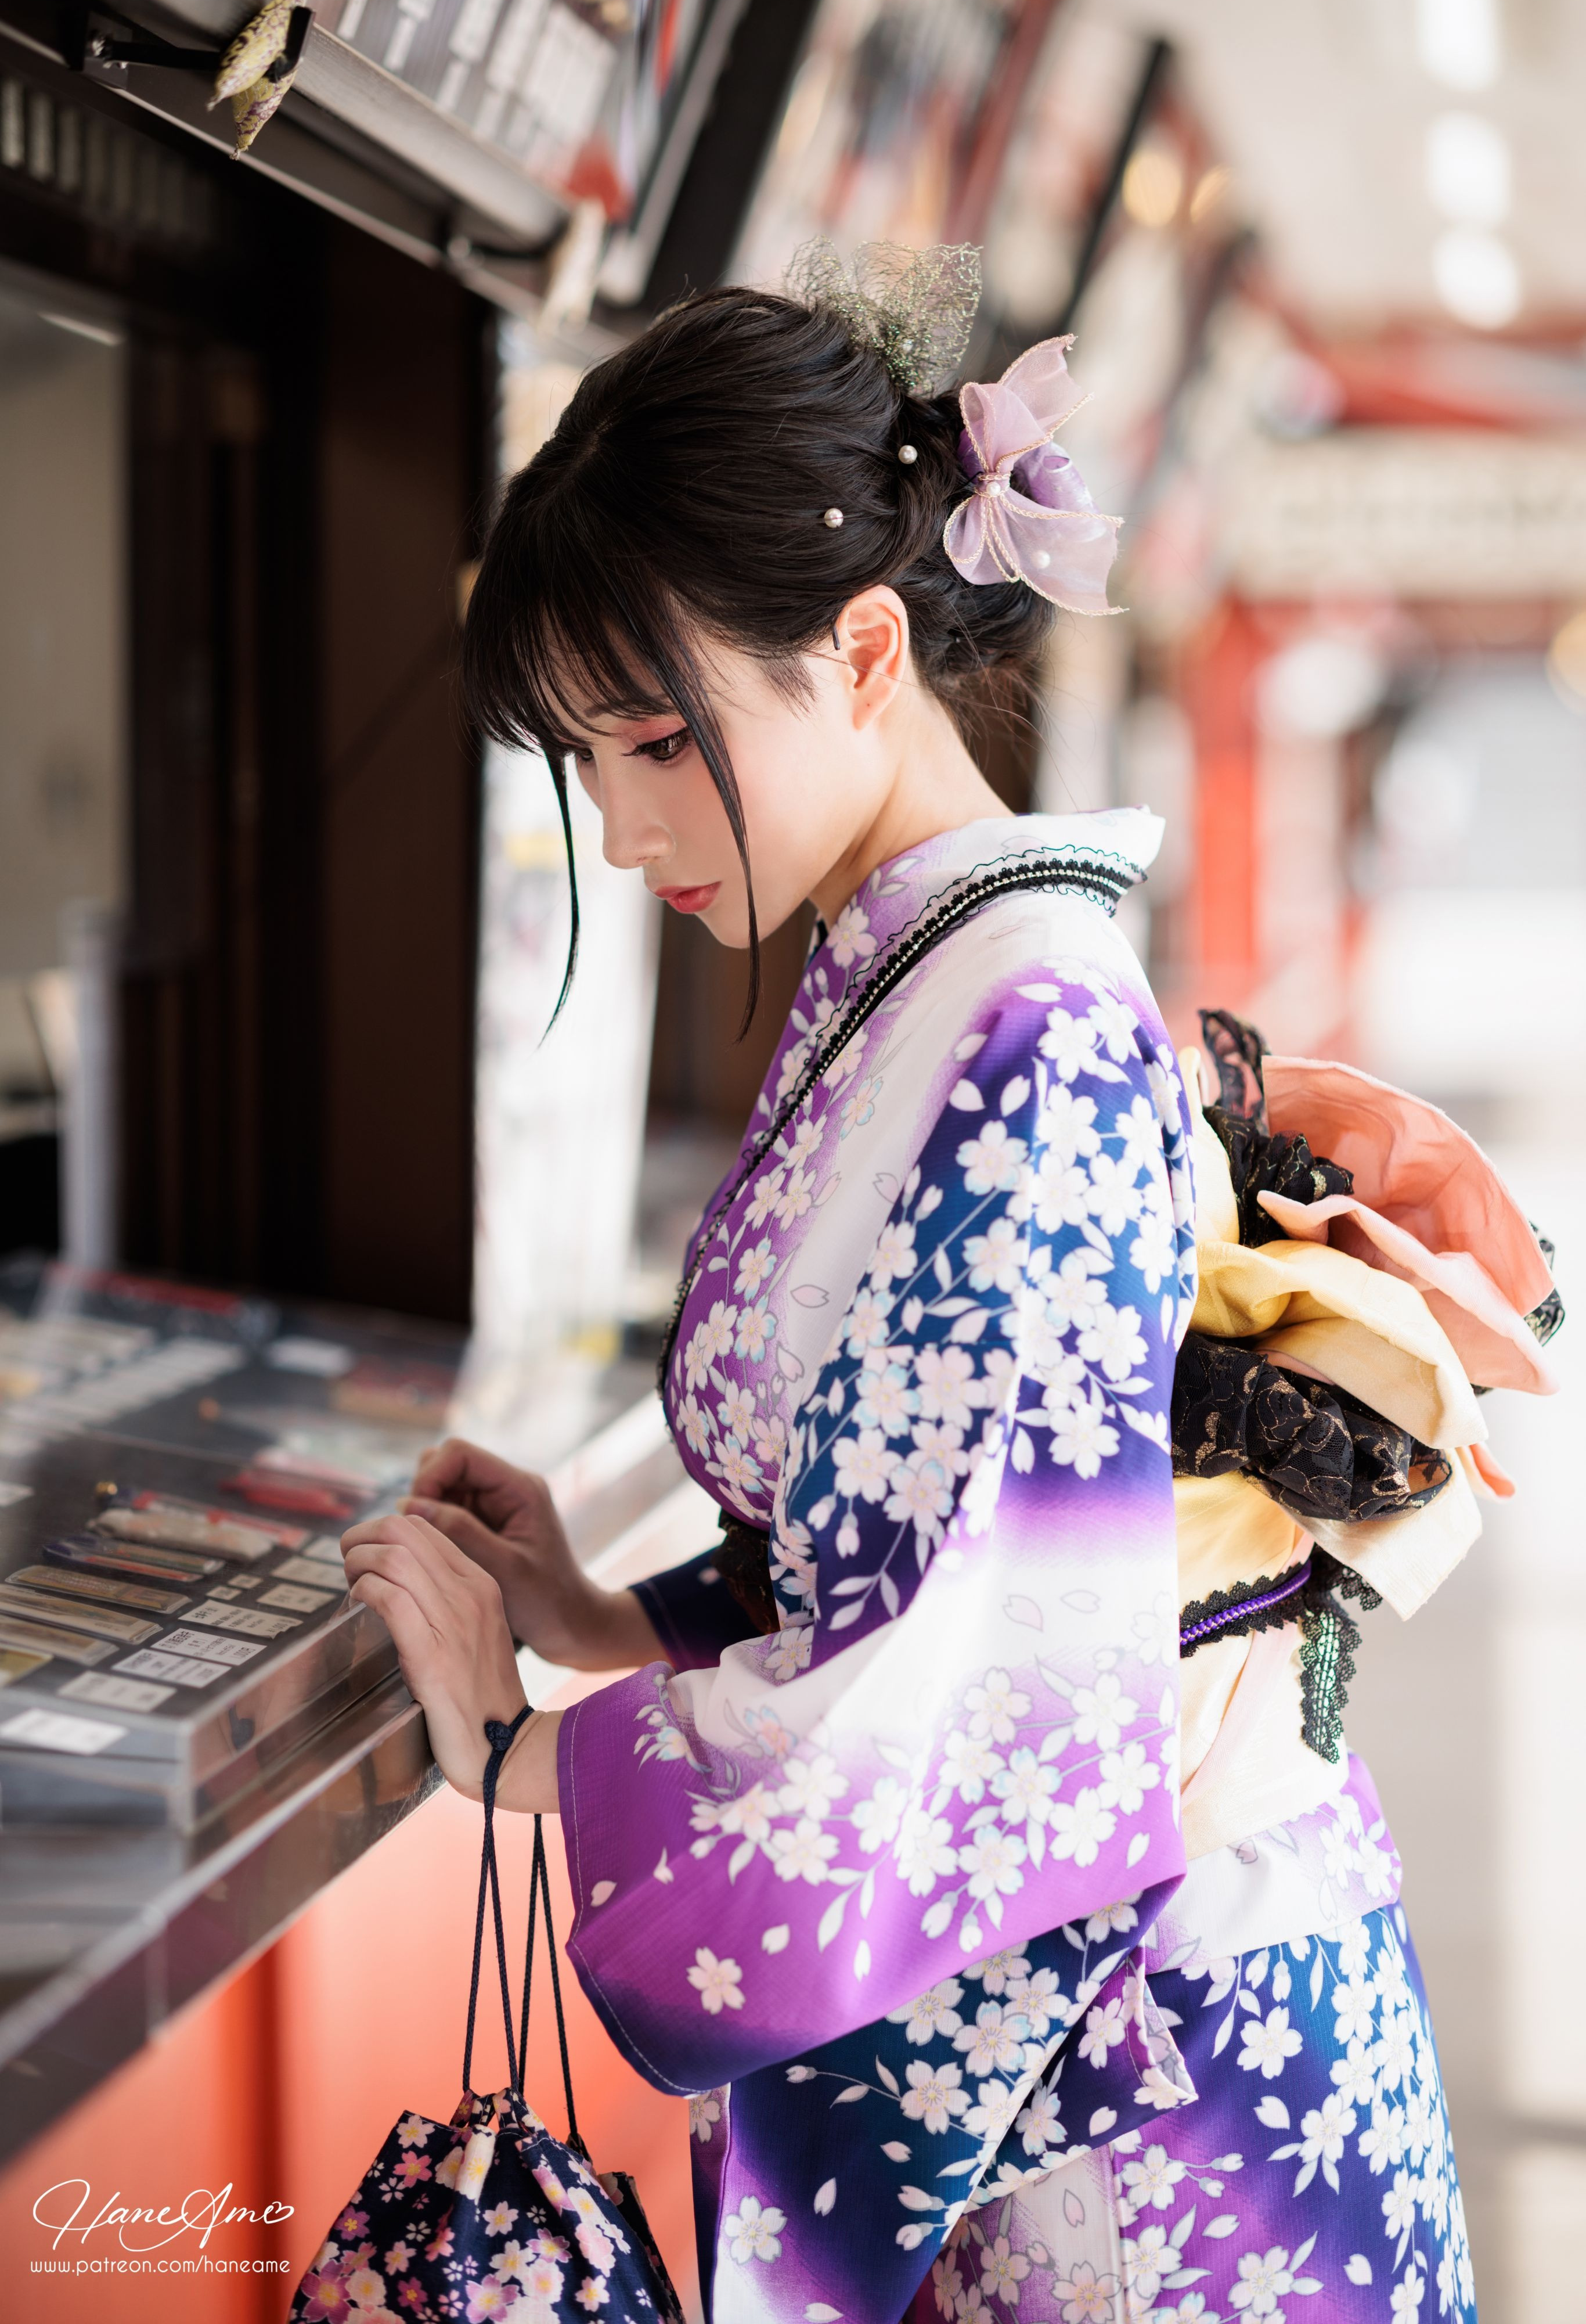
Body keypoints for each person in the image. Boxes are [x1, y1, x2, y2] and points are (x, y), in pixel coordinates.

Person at [341, 249, 1500, 2323]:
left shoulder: (1017, 1023)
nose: (616, 831)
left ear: (862, 651)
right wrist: (609, 1619)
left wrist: (524, 1760)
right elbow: (919, 1533)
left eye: (645, 744)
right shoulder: (935, 983)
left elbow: (1002, 1689)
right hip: (1081, 2022)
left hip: (1155, 2104)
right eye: (579, 764)